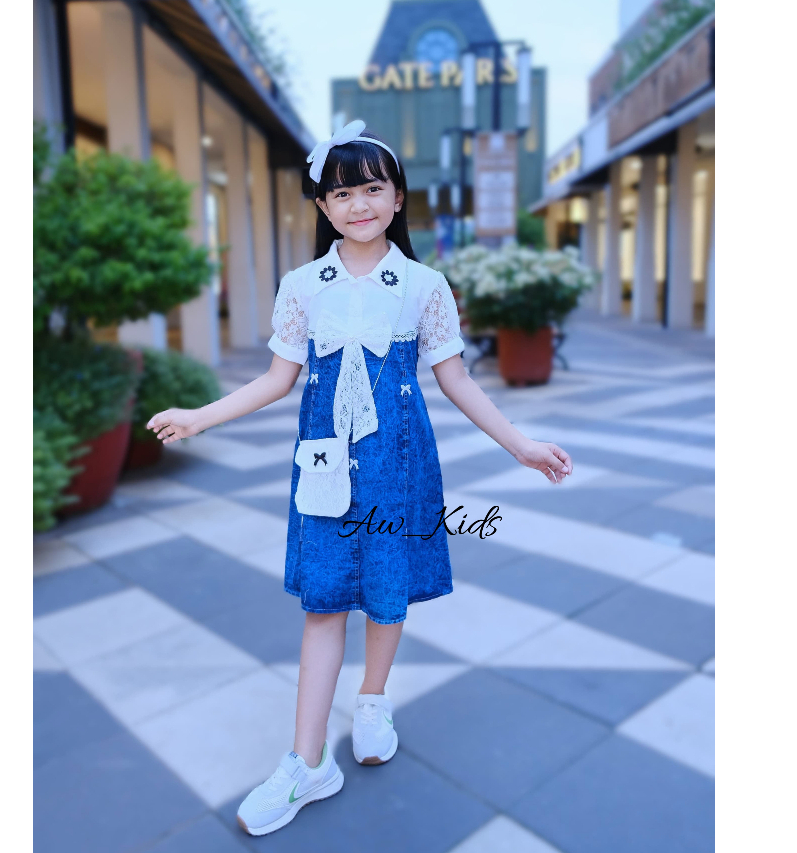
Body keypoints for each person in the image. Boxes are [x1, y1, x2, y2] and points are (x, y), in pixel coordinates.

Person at [146, 119, 574, 836]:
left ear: (398, 196)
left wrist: (520, 445)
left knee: (386, 591)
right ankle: (307, 762)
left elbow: (456, 380)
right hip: (323, 463)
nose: (358, 204)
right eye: (340, 193)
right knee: (323, 602)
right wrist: (200, 417)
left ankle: (372, 699)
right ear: (321, 206)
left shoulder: (423, 286)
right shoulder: (301, 286)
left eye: (372, 188)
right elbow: (277, 379)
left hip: (399, 463)